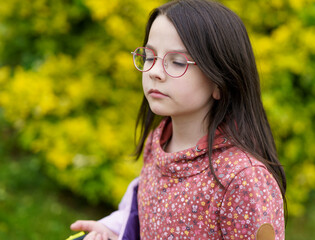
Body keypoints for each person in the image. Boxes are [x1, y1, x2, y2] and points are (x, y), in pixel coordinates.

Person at [70, 0, 286, 239]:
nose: (154, 71)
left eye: (177, 61)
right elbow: (148, 213)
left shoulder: (243, 180)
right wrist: (113, 230)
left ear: (220, 82)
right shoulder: (159, 141)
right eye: (150, 56)